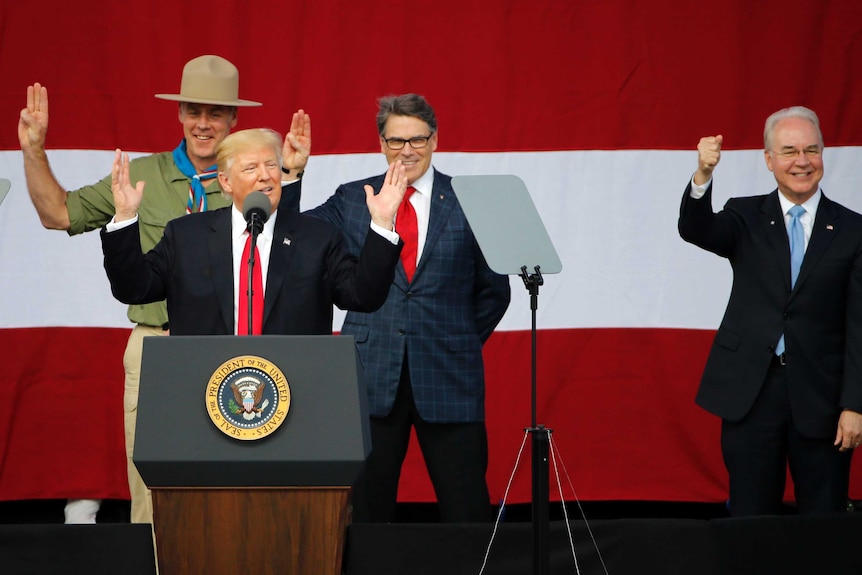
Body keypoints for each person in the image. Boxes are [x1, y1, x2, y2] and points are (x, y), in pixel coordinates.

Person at [18, 54, 309, 524]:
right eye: (193, 110)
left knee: (238, 489)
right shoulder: (143, 177)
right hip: (157, 343)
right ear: (179, 114)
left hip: (236, 352)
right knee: (154, 489)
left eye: (216, 113)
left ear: (234, 118)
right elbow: (58, 214)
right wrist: (33, 149)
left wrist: (291, 177)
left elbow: (289, 252)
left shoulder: (253, 176)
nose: (203, 123)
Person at [306, 93, 511, 523]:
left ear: (435, 140)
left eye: (417, 139)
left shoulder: (470, 199)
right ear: (381, 144)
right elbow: (297, 234)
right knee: (366, 511)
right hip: (370, 373)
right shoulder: (351, 199)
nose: (407, 150)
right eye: (396, 141)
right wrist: (290, 175)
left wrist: (456, 339)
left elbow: (495, 292)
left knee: (467, 507)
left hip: (449, 374)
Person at [678, 106, 862, 516]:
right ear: (768, 159)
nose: (802, 161)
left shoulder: (853, 230)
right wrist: (702, 177)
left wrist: (855, 405)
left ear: (823, 154)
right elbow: (696, 230)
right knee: (750, 518)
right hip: (752, 391)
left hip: (823, 399)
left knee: (824, 521)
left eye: (812, 150)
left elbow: (859, 325)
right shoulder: (745, 216)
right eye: (790, 151)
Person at [100, 128, 405, 339]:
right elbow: (133, 289)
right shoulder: (186, 236)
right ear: (226, 181)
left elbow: (362, 296)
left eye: (271, 164)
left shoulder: (317, 238)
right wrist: (126, 217)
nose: (265, 175)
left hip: (293, 388)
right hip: (206, 387)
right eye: (251, 168)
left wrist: (381, 224)